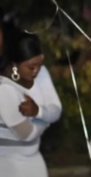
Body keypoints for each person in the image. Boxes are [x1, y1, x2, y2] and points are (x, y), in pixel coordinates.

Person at [0, 28, 62, 177]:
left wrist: (38, 112)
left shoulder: (40, 73)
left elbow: (57, 110)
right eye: (31, 67)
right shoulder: (4, 90)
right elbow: (27, 135)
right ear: (14, 65)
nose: (37, 71)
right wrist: (46, 119)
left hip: (34, 160)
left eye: (40, 65)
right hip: (11, 165)